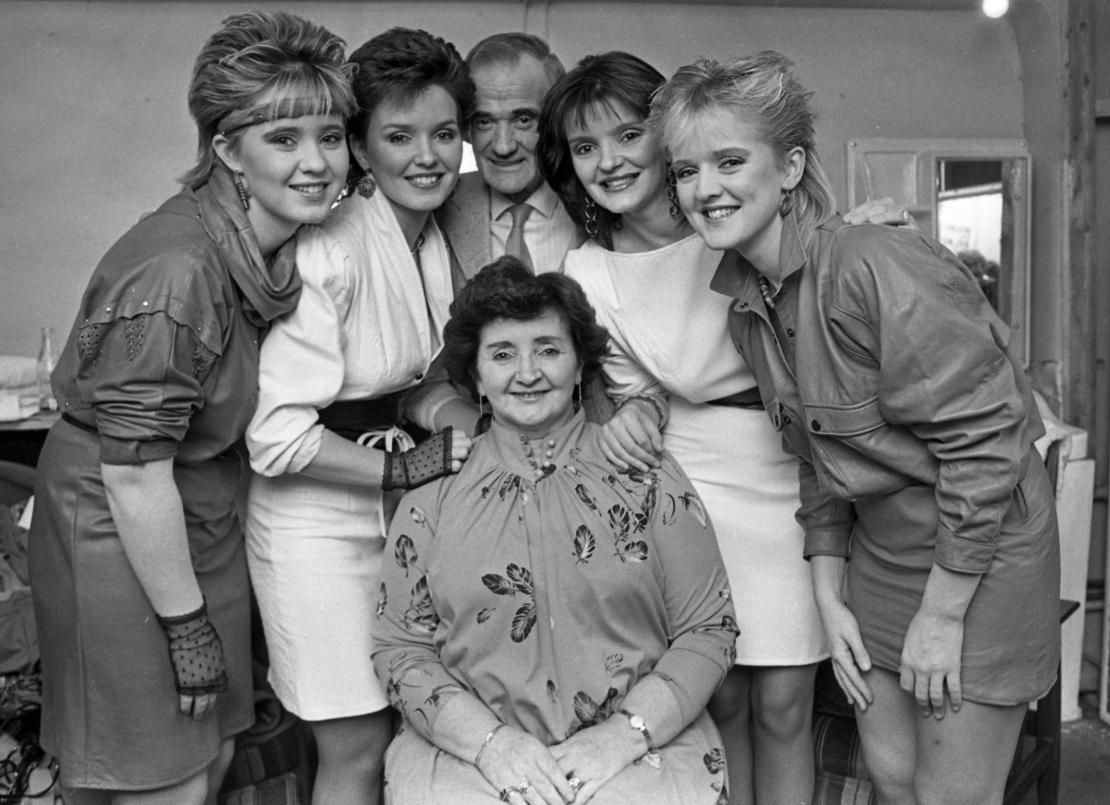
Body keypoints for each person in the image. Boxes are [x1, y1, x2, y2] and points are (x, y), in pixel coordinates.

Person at [652, 52, 1060, 805]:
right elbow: (819, 465)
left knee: (950, 798)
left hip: (978, 557)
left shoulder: (874, 261)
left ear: (790, 165)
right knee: (894, 782)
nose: (704, 189)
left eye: (730, 161)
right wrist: (830, 594)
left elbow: (989, 442)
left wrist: (943, 613)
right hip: (878, 557)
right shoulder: (749, 301)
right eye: (685, 170)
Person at [537, 51, 909, 805]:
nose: (608, 161)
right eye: (584, 147)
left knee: (783, 703)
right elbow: (628, 387)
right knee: (720, 698)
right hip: (690, 486)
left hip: (794, 473)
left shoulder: (739, 214)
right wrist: (634, 409)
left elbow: (824, 296)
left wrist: (861, 234)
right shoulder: (587, 269)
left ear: (668, 132)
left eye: (627, 133)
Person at [27, 11, 355, 803]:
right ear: (225, 149)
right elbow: (134, 474)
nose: (316, 162)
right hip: (121, 518)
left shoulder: (261, 242)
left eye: (332, 135)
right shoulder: (176, 270)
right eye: (283, 139)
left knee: (206, 759)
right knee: (161, 775)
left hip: (196, 506)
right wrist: (185, 624)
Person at [373, 257, 739, 805]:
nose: (527, 372)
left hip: (639, 749)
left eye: (547, 349)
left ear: (579, 367)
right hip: (470, 754)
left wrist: (621, 738)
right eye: (502, 354)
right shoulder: (436, 490)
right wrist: (491, 745)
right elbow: (399, 646)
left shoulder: (644, 473)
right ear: (475, 376)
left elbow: (709, 629)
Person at [244, 28, 477, 805]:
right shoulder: (329, 252)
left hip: (391, 520)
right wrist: (406, 467)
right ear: (360, 148)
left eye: (444, 134)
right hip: (311, 524)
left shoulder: (429, 238)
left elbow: (401, 379)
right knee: (353, 738)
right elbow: (275, 434)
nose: (427, 156)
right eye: (399, 136)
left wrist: (454, 412)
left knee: (402, 722)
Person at [437, 33, 582, 276]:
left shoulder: (598, 202)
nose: (503, 147)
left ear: (557, 119)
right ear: (467, 129)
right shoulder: (439, 204)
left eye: (523, 119)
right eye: (484, 121)